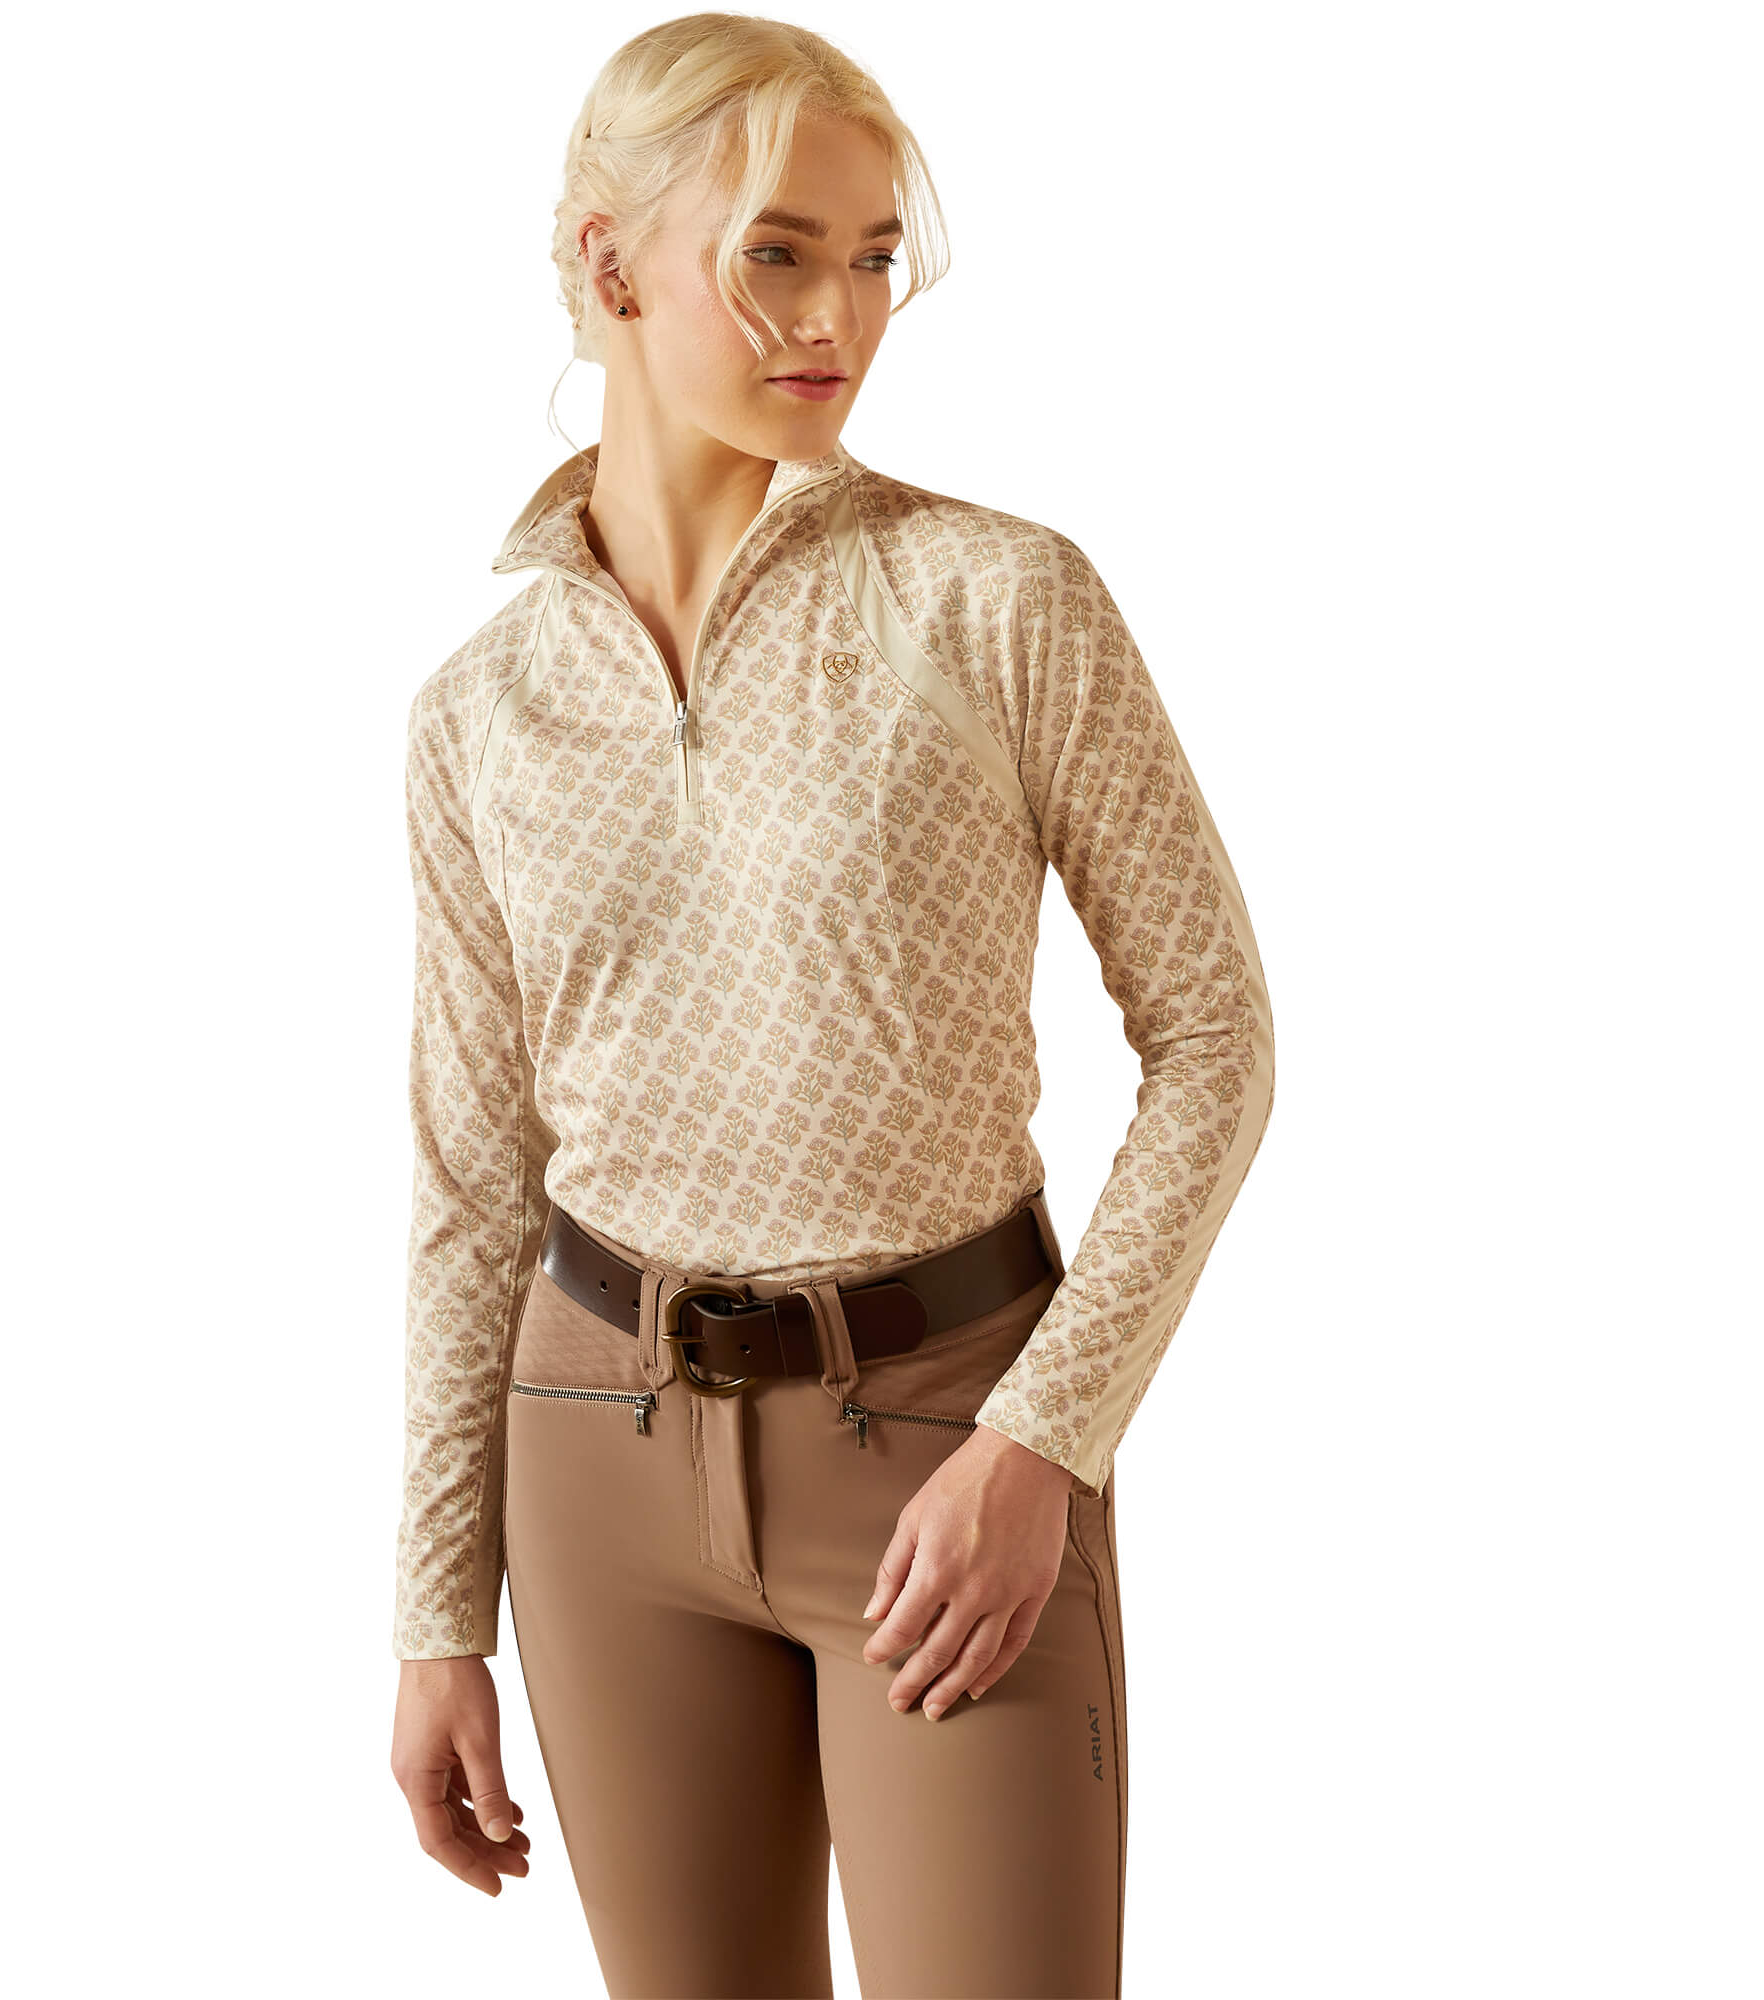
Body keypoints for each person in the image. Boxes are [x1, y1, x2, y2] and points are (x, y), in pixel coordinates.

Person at [388, 15, 1275, 1996]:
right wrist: (438, 1615)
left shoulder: (995, 597)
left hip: (952, 1439)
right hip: (593, 1450)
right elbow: (470, 1178)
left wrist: (1046, 1442)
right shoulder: (477, 713)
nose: (840, 315)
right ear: (612, 266)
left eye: (872, 257)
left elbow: (1216, 1041)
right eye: (776, 253)